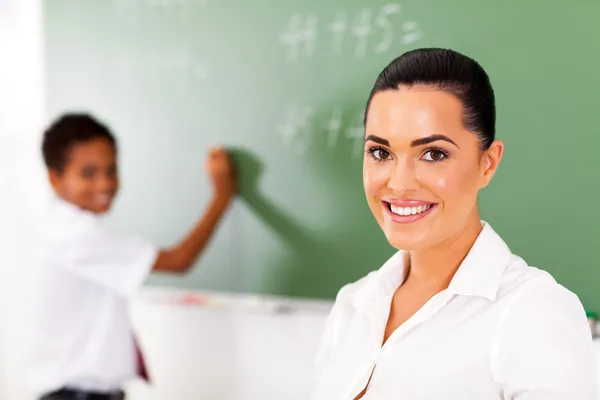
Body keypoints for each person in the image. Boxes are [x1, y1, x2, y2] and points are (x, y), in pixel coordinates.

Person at [310, 48, 597, 399]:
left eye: (433, 154)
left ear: (488, 163)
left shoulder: (533, 311)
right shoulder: (353, 305)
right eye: (381, 153)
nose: (399, 183)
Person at [31, 113, 236, 400]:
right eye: (88, 173)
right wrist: (222, 196)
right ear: (55, 178)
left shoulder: (62, 228)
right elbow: (179, 261)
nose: (105, 184)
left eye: (111, 170)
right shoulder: (77, 236)